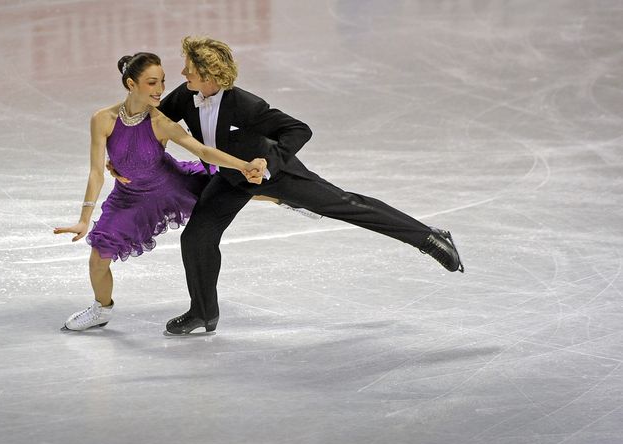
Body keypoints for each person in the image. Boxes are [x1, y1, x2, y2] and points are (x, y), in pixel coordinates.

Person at [158, 36, 465, 336]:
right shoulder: (186, 96)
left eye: (189, 69)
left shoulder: (245, 105)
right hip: (230, 179)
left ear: (209, 74)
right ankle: (203, 312)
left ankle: (428, 237)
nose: (183, 73)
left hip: (276, 175)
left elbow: (298, 129)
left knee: (343, 204)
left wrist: (268, 165)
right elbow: (151, 119)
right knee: (197, 237)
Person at [53, 52, 267, 331]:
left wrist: (243, 165)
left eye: (163, 82)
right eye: (152, 83)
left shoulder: (160, 122)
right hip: (130, 198)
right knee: (97, 259)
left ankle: (287, 197)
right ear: (131, 84)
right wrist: (84, 218)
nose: (161, 90)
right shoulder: (102, 119)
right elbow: (96, 173)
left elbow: (202, 150)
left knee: (235, 185)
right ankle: (101, 309)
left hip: (173, 185)